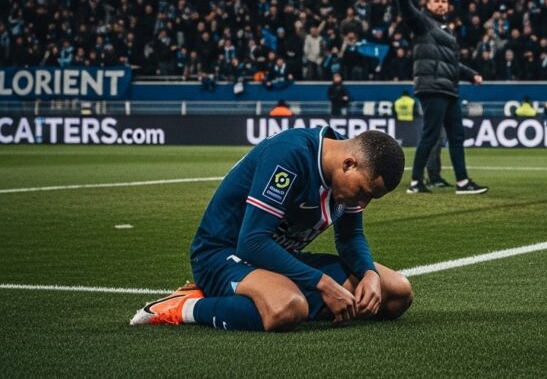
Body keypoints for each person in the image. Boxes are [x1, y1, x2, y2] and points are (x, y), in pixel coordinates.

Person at [129, 129, 413, 331]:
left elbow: (350, 237)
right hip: (222, 255)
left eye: (370, 198)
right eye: (363, 192)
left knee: (397, 292)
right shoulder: (290, 155)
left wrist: (369, 274)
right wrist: (323, 284)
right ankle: (187, 306)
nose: (362, 202)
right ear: (349, 164)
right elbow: (251, 242)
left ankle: (267, 296)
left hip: (274, 259)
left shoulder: (346, 178)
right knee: (288, 308)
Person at [394, 0, 487, 195]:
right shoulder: (423, 23)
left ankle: (463, 182)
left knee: (456, 136)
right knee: (431, 135)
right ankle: (416, 181)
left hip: (449, 89)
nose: (441, 4)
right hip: (432, 87)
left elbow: (452, 64)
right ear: (427, 4)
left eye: (444, 1)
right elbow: (407, 12)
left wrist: (471, 74)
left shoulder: (445, 30)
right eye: (436, 0)